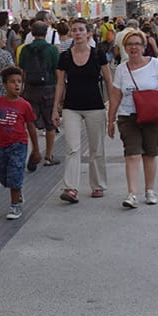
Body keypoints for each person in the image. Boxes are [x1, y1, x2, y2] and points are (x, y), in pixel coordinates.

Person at [107, 30, 158, 210]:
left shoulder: (154, 64)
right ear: (124, 48)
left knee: (150, 154)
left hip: (152, 117)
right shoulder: (121, 69)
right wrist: (110, 120)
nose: (133, 47)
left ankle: (149, 190)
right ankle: (132, 193)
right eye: (129, 44)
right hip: (128, 117)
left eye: (137, 44)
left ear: (144, 47)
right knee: (132, 154)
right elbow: (115, 96)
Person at [51, 18, 113, 204]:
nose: (77, 33)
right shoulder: (65, 57)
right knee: (72, 148)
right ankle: (71, 188)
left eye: (80, 30)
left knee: (97, 148)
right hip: (71, 107)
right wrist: (55, 109)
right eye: (74, 30)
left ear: (88, 34)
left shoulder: (98, 55)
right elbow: (60, 83)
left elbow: (109, 80)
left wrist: (112, 107)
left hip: (95, 106)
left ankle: (98, 185)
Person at [0, 66, 41, 221]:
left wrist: (36, 150)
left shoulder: (24, 105)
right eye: (13, 82)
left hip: (19, 145)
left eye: (20, 82)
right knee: (3, 176)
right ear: (5, 85)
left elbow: (31, 127)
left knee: (15, 173)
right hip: (2, 146)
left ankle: (14, 205)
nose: (17, 85)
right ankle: (17, 192)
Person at [17, 21, 61, 169]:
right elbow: (57, 72)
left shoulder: (24, 49)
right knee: (50, 124)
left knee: (32, 122)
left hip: (30, 88)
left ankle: (35, 150)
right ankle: (48, 156)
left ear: (32, 32)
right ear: (46, 32)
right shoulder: (52, 50)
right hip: (48, 88)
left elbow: (21, 71)